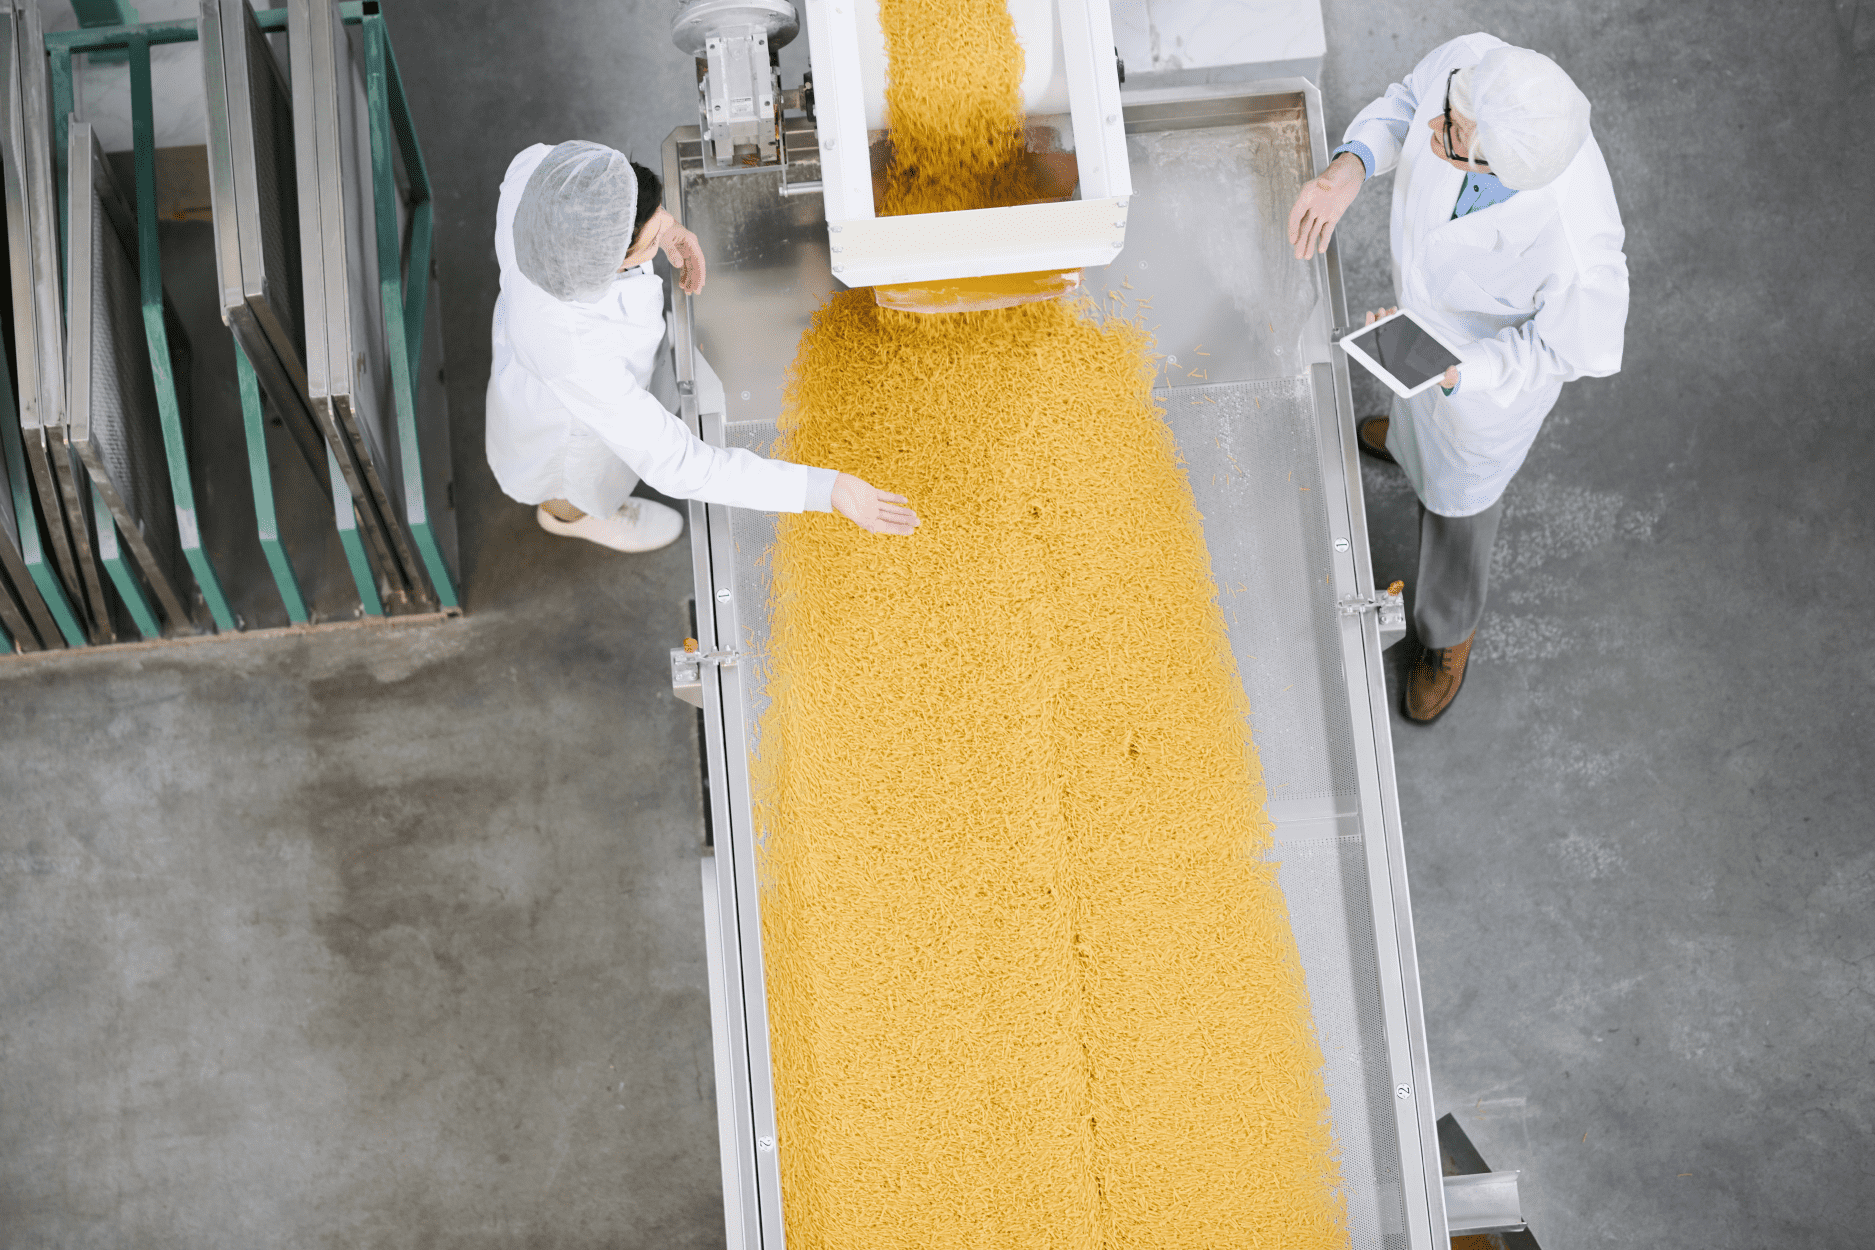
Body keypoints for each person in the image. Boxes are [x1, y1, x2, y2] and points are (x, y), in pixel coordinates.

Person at [1287, 34, 1628, 723]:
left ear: (1503, 170)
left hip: (1481, 392)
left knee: (1455, 512)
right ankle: (1407, 440)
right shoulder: (1473, 67)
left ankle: (1445, 635)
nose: (1434, 130)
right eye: (1449, 113)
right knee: (1409, 413)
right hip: (1418, 332)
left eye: (1452, 138)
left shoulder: (1574, 242)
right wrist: (1350, 164)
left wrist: (1460, 371)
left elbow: (1564, 352)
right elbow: (1408, 102)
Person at [487, 141, 918, 552]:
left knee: (649, 383)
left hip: (591, 354)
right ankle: (574, 519)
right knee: (576, 484)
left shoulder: (544, 174)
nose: (659, 237)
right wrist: (827, 489)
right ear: (610, 264)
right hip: (568, 424)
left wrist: (667, 228)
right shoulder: (575, 353)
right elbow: (680, 465)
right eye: (649, 244)